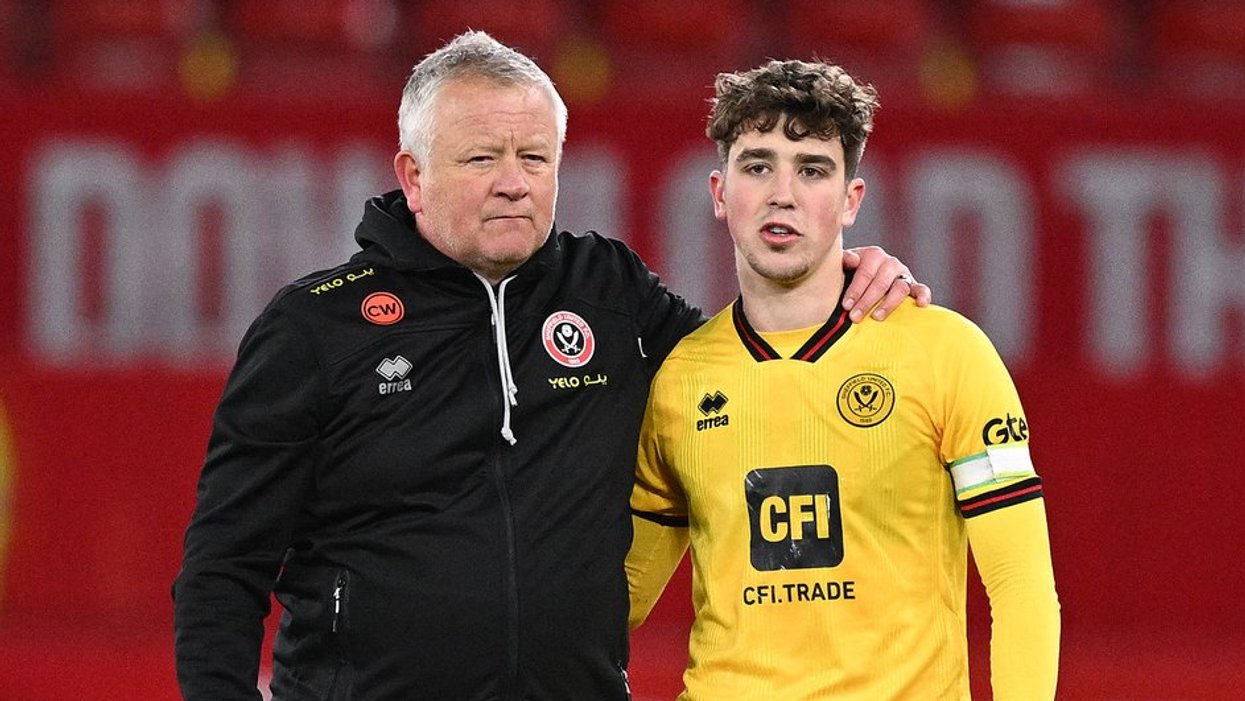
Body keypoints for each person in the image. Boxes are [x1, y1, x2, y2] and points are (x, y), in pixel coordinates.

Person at [172, 32, 929, 701]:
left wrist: (836, 279)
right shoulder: (315, 326)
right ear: (412, 174)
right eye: (481, 158)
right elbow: (223, 565)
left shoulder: (607, 289)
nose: (514, 180)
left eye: (534, 157)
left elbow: (746, 368)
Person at [625, 59, 1060, 700]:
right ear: (719, 194)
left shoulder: (947, 353)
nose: (783, 192)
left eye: (812, 169)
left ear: (851, 200)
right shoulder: (678, 380)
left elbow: (1021, 585)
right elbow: (618, 599)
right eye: (757, 166)